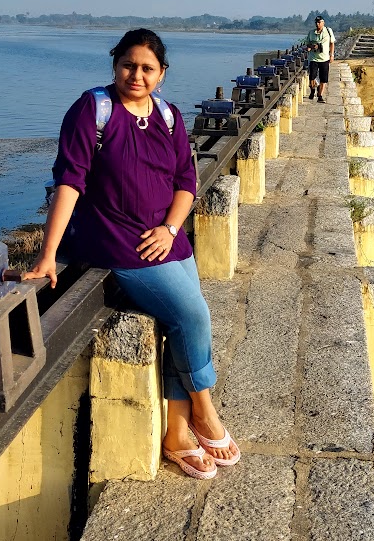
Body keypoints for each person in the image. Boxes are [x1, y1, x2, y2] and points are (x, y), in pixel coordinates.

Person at [18, 28, 239, 480]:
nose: (136, 75)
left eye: (147, 68)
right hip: (120, 241)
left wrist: (171, 227)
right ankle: (205, 410)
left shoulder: (170, 116)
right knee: (193, 317)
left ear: (162, 74)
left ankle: (178, 433)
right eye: (128, 65)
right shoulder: (92, 110)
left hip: (169, 239)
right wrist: (47, 253)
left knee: (183, 322)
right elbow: (70, 181)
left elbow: (186, 182)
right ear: (115, 63)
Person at [306, 15, 335, 102]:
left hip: (324, 58)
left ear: (323, 23)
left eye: (319, 22)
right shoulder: (311, 33)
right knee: (312, 77)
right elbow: (307, 43)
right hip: (313, 58)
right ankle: (312, 90)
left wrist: (332, 55)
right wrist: (311, 46)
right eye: (316, 22)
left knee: (324, 78)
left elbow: (332, 43)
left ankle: (320, 95)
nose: (317, 24)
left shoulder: (328, 31)